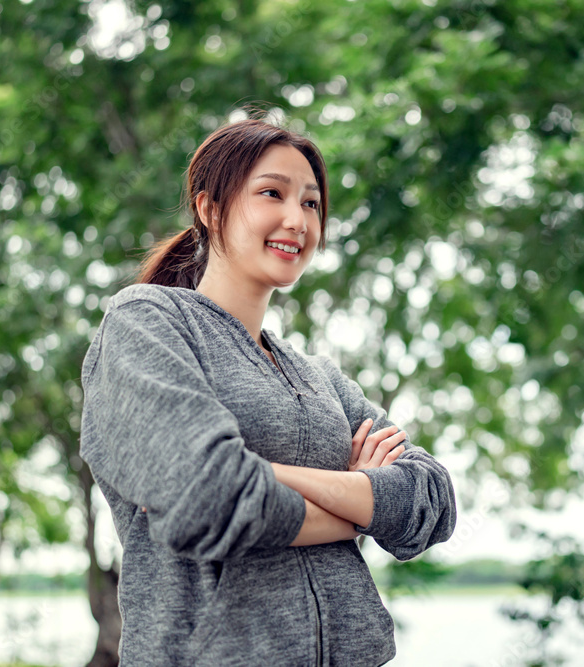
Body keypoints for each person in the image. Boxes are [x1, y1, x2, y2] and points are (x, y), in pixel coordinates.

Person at [78, 116, 457, 666]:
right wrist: (360, 499)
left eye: (310, 203)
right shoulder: (146, 322)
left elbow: (431, 501)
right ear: (209, 209)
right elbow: (208, 497)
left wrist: (268, 474)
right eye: (271, 193)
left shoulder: (319, 376)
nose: (296, 219)